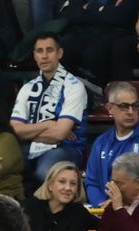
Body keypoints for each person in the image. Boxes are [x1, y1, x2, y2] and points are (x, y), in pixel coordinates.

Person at [10, 30, 87, 186]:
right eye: (39, 51)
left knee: (44, 172)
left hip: (66, 148)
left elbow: (59, 134)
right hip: (30, 147)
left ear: (59, 53)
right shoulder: (27, 88)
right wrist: (48, 124)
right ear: (34, 55)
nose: (44, 56)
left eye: (49, 50)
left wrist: (28, 132)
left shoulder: (74, 86)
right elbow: (15, 130)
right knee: (5, 167)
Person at [84, 81, 139, 207]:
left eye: (135, 106)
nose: (130, 111)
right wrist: (101, 204)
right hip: (104, 212)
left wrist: (119, 204)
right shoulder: (100, 143)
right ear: (110, 108)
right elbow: (92, 182)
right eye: (124, 106)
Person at [20, 163, 95, 231]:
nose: (68, 188)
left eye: (73, 184)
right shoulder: (29, 206)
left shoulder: (79, 213)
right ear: (50, 185)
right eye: (62, 182)